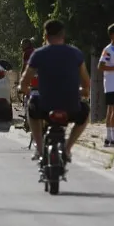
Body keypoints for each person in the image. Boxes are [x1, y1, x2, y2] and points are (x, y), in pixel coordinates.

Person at [19, 19, 90, 162]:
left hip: (45, 105)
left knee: (32, 111)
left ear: (45, 36)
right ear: (63, 36)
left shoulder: (38, 54)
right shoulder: (76, 54)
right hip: (71, 107)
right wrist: (83, 91)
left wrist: (24, 89)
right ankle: (68, 148)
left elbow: (25, 81)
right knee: (85, 113)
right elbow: (86, 82)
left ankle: (39, 148)